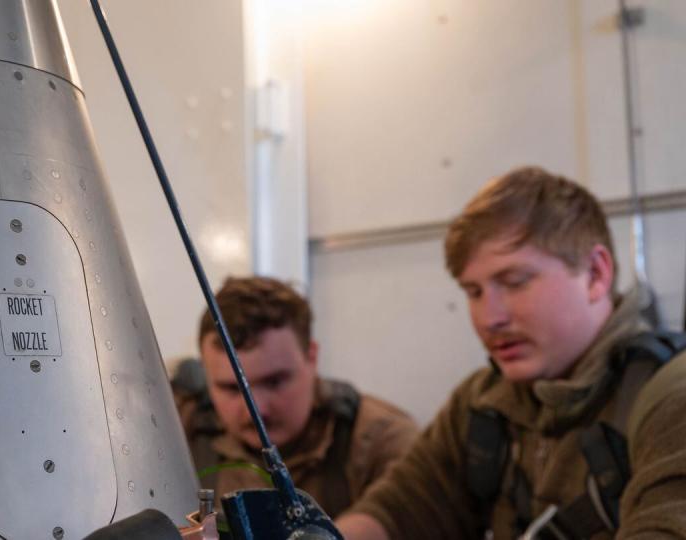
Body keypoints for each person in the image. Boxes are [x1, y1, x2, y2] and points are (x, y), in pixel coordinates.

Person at [337, 167, 686, 539]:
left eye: (515, 282)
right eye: (473, 292)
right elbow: (396, 513)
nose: (490, 317)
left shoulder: (670, 399)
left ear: (595, 275)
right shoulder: (482, 402)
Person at [172, 276, 418, 518]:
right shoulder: (178, 429)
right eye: (231, 389)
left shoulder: (382, 443)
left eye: (274, 381)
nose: (256, 410)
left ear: (312, 357)